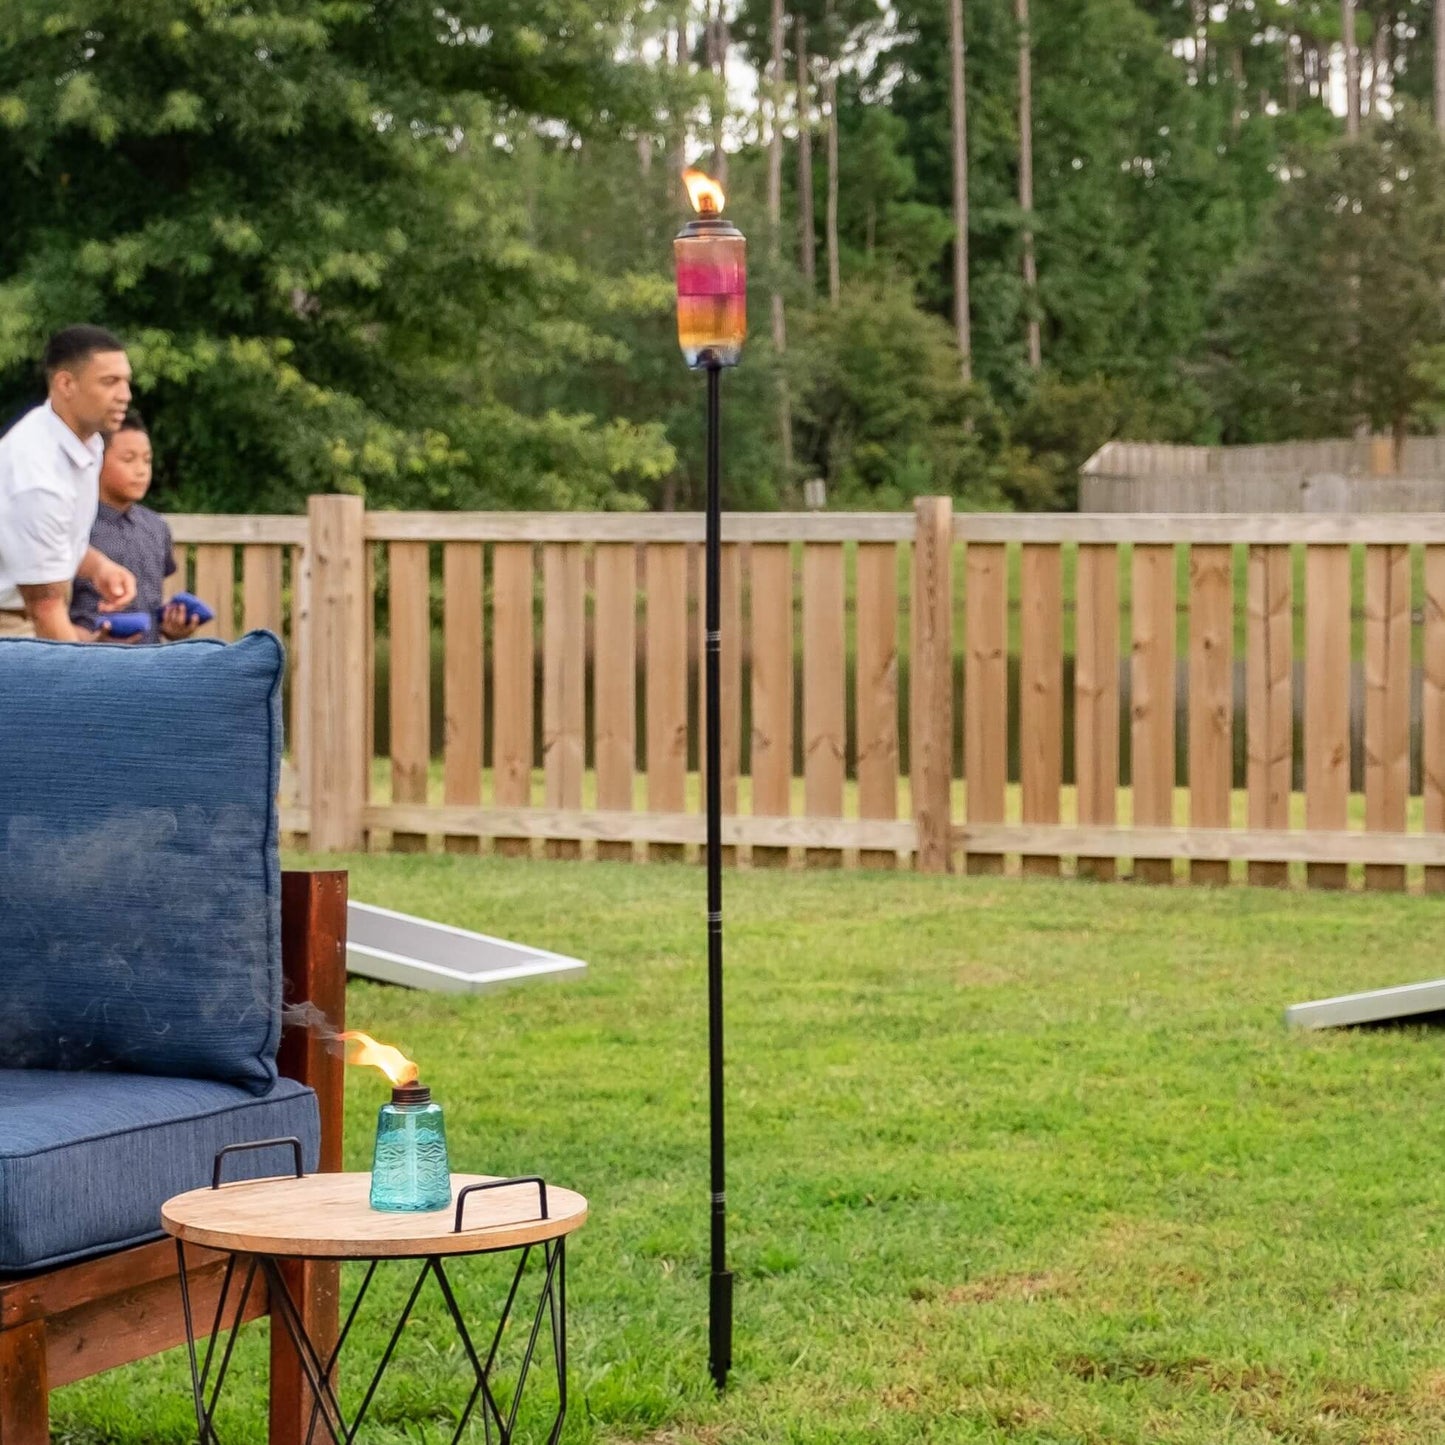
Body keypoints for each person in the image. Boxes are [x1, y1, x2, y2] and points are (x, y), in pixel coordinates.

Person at [0, 326, 137, 640]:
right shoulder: (36, 473)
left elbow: (56, 542)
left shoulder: (86, 444)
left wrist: (99, 567)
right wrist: (84, 677)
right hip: (13, 626)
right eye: (110, 382)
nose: (125, 395)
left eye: (126, 381)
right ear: (66, 384)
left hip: (37, 613)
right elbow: (44, 607)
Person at [71, 411, 200, 643]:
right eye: (128, 459)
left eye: (147, 460)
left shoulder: (156, 527)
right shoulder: (76, 526)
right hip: (88, 662)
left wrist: (171, 625)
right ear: (96, 459)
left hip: (150, 663)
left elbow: (152, 601)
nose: (141, 470)